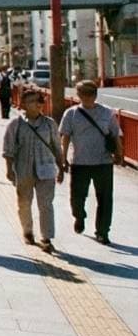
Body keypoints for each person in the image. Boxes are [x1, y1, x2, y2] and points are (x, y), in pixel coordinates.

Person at [61, 80, 125, 245]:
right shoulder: (71, 114)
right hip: (80, 162)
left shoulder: (107, 113)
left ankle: (102, 231)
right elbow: (65, 137)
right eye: (84, 94)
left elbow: (115, 134)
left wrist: (119, 153)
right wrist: (63, 158)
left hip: (103, 162)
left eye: (91, 94)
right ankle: (79, 216)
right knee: (77, 198)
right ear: (79, 95)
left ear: (96, 95)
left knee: (105, 199)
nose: (88, 97)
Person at [3, 90, 63, 252]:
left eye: (38, 101)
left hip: (46, 169)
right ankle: (27, 231)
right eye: (30, 101)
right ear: (23, 104)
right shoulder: (16, 124)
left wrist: (61, 167)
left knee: (46, 204)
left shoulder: (50, 124)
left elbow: (57, 147)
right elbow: (8, 149)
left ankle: (47, 237)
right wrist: (9, 169)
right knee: (24, 203)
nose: (35, 105)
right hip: (23, 170)